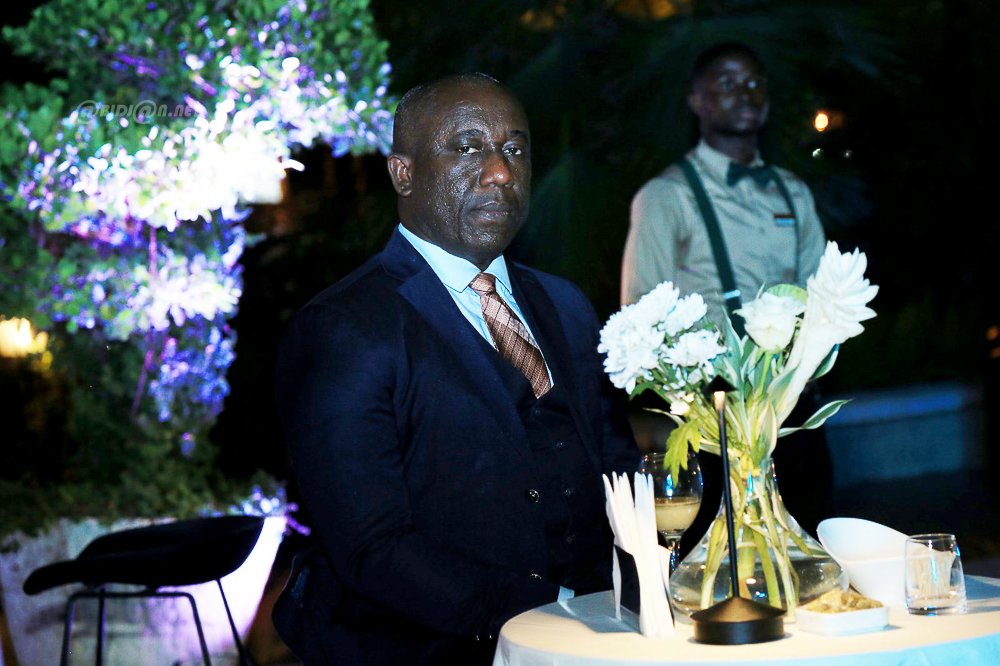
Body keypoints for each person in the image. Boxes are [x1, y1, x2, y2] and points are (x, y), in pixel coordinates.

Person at [272, 73, 639, 665]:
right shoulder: (346, 326)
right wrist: (551, 611)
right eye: (468, 148)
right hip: (423, 648)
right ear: (404, 173)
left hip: (596, 631)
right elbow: (372, 547)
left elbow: (616, 468)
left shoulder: (565, 305)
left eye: (514, 149)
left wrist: (641, 586)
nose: (500, 173)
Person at [619, 42, 832, 537]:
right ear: (697, 101)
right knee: (720, 557)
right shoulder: (667, 195)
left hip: (791, 409)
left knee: (809, 542)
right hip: (711, 416)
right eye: (728, 83)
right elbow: (639, 314)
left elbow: (822, 298)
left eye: (755, 83)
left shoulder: (792, 190)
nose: (746, 93)